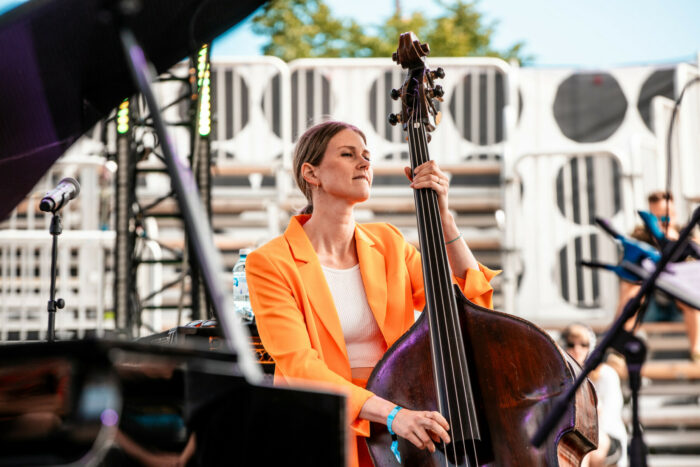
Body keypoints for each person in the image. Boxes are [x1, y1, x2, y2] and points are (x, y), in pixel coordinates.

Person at [245, 121, 499, 466]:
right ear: (311, 173)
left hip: (396, 431)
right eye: (348, 155)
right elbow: (300, 366)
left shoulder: (389, 243)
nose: (364, 163)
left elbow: (466, 305)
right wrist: (394, 415)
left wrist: (444, 218)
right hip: (321, 426)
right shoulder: (270, 262)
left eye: (367, 156)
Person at [616, 191, 700, 362]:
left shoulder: (688, 236)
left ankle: (696, 351)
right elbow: (629, 271)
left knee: (689, 297)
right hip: (651, 299)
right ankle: (619, 346)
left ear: (674, 214)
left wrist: (675, 243)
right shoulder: (640, 237)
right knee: (631, 291)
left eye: (666, 217)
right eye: (657, 218)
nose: (662, 222)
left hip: (679, 298)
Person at [562, 323, 627, 467]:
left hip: (608, 436)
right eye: (571, 344)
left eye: (583, 344)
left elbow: (609, 417)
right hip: (576, 436)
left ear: (591, 347)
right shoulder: (562, 377)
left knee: (582, 444)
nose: (576, 349)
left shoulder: (606, 375)